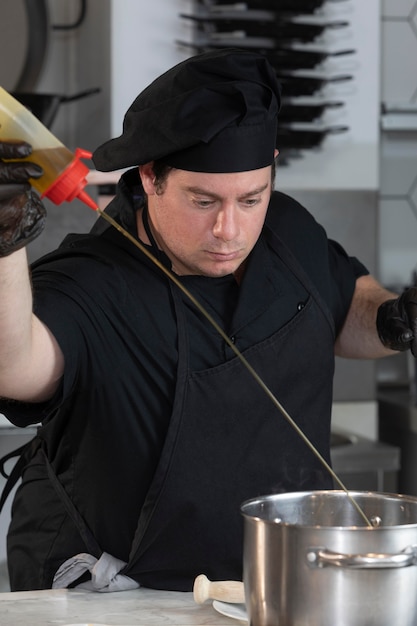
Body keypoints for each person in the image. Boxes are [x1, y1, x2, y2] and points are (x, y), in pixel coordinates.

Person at [0, 49, 416, 593]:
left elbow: (342, 306)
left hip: (271, 586)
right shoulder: (92, 281)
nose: (229, 229)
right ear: (150, 178)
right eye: (202, 201)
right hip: (123, 596)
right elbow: (17, 366)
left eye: (251, 198)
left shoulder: (288, 233)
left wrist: (394, 319)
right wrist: (5, 238)